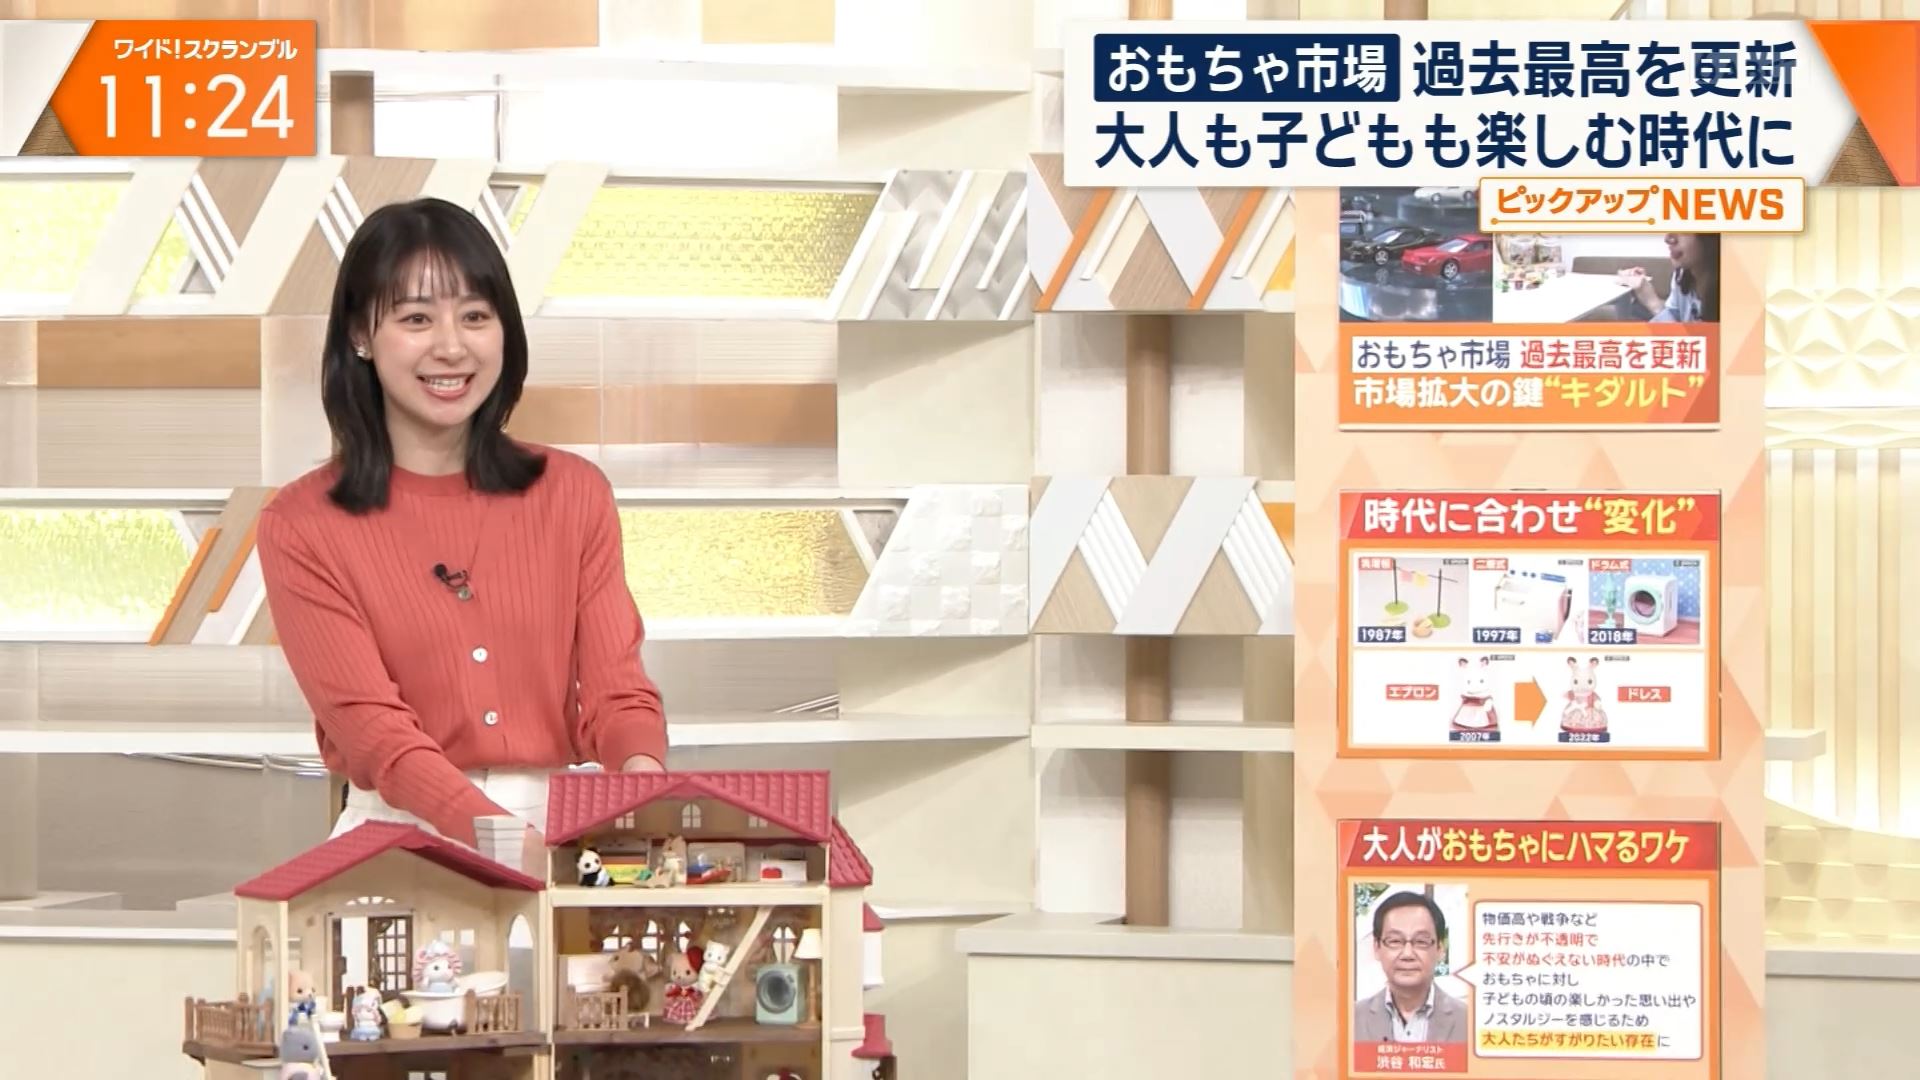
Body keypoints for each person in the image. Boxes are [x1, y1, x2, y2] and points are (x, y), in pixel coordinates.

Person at [256, 197, 668, 848]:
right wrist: (502, 841)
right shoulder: (302, 524)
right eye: (416, 318)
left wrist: (644, 784)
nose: (452, 347)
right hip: (398, 838)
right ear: (361, 335)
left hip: (562, 833)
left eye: (475, 316)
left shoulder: (573, 493)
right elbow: (374, 733)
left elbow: (616, 689)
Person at [1351, 891, 1467, 1045]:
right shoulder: (1350, 1020)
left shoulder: (1470, 1021)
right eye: (1395, 941)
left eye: (1421, 941)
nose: (1407, 954)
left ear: (1440, 949)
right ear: (1377, 948)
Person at [1616, 233, 1720, 323]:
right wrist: (1642, 290)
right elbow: (1674, 317)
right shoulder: (1681, 275)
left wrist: (1653, 302)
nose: (1668, 239)